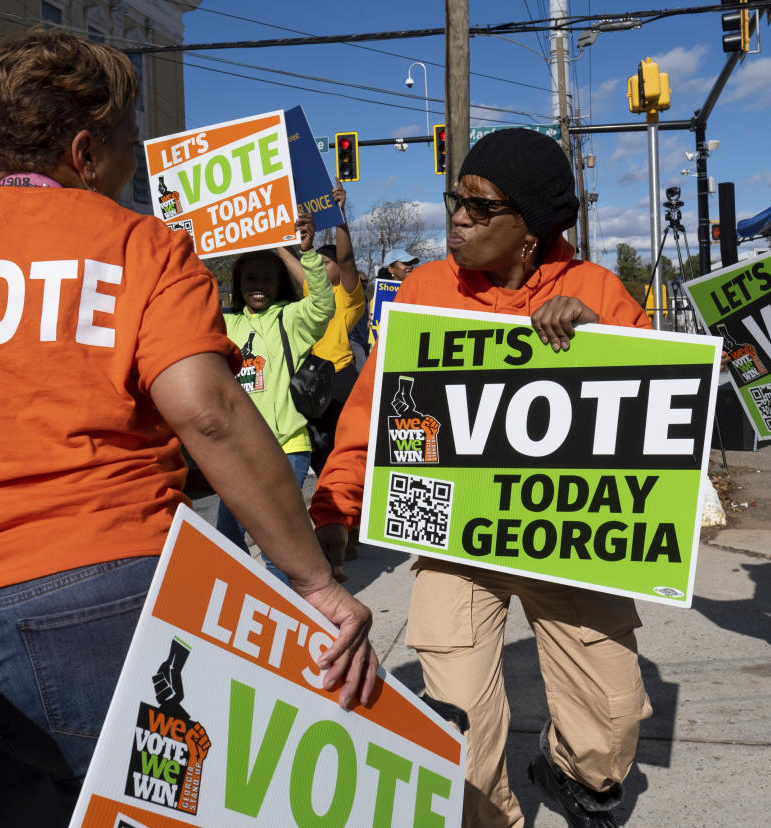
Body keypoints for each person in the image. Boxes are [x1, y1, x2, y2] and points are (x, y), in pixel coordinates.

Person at [0, 28, 375, 827]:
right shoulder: (141, 247)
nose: (135, 163)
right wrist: (316, 586)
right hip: (100, 603)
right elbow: (208, 412)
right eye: (129, 142)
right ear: (84, 151)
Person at [310, 128, 653, 828]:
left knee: (610, 733)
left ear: (531, 230)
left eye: (479, 206)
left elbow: (665, 412)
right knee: (457, 736)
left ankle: (568, 773)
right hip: (456, 542)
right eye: (455, 199)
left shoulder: (600, 291)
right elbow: (376, 404)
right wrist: (336, 507)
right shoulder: (425, 288)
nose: (456, 218)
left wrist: (605, 344)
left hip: (568, 538)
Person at [216, 212, 335, 576]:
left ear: (279, 282)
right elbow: (188, 306)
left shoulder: (292, 318)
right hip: (237, 450)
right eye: (251, 278)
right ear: (238, 283)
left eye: (267, 279)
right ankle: (245, 606)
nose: (258, 285)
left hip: (287, 445)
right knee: (225, 539)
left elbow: (323, 304)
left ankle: (284, 618)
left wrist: (306, 254)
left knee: (275, 542)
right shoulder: (226, 322)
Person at [279, 185, 363, 475]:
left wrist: (340, 216)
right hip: (309, 379)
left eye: (327, 262)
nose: (322, 265)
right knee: (319, 452)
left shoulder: (349, 295)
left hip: (340, 379)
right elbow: (289, 256)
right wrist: (266, 233)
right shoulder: (312, 290)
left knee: (343, 450)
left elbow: (347, 259)